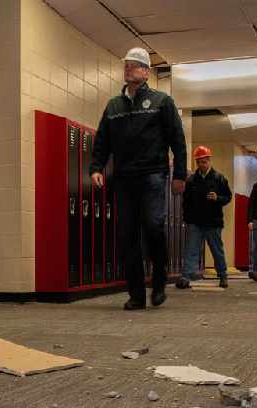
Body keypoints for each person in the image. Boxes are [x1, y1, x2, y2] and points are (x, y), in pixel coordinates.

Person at [91, 47, 188, 310]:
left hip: (153, 175)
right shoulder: (113, 106)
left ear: (146, 72)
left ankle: (158, 281)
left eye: (134, 65)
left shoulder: (162, 102)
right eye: (126, 65)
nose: (128, 69)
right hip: (124, 179)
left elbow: (177, 141)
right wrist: (96, 168)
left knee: (154, 227)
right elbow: (102, 140)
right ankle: (136, 294)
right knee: (127, 235)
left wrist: (180, 174)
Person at [177, 146, 232, 289]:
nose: (202, 164)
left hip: (213, 222)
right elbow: (186, 202)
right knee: (191, 249)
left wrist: (217, 198)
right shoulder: (191, 180)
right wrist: (187, 219)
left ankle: (223, 275)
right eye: (199, 162)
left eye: (204, 161)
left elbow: (228, 197)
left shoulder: (219, 178)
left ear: (209, 161)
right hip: (195, 222)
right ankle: (186, 277)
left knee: (216, 249)